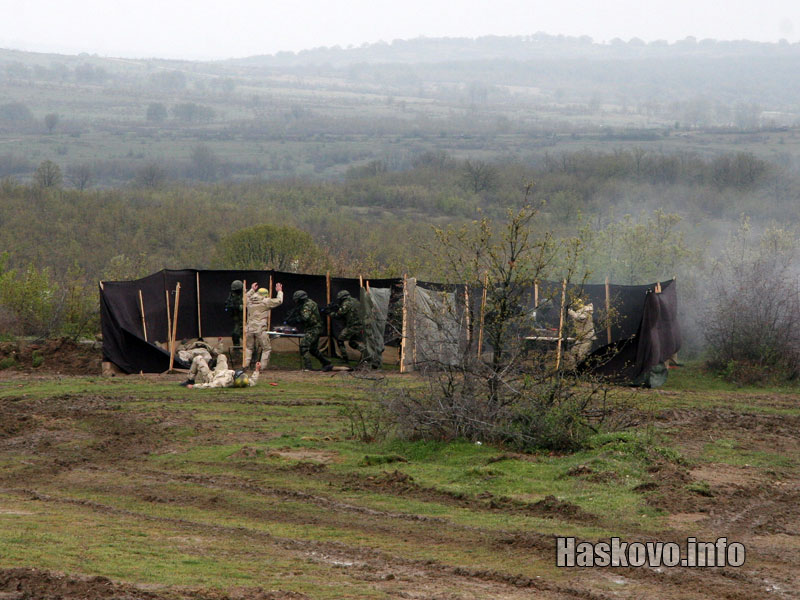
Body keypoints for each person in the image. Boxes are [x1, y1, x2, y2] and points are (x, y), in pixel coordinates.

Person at [288, 290, 332, 372]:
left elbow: (305, 317)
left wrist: (296, 318)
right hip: (315, 328)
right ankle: (326, 363)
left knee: (304, 345)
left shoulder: (307, 305)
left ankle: (308, 367)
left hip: (314, 328)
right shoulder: (309, 303)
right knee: (313, 349)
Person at [245, 282, 283, 369]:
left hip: (249, 328)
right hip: (260, 329)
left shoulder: (249, 300)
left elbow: (245, 297)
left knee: (248, 348)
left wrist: (251, 289)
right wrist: (279, 291)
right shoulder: (266, 301)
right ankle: (261, 367)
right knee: (266, 348)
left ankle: (245, 365)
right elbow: (279, 301)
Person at [330, 290, 367, 366]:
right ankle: (365, 353)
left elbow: (339, 315)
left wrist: (330, 313)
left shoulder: (346, 303)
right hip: (360, 325)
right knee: (352, 342)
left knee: (340, 339)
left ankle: (345, 359)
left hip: (353, 326)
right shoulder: (356, 301)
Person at [180, 354, 261, 389]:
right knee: (222, 356)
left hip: (211, 376)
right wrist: (257, 370)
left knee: (198, 358)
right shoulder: (244, 381)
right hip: (222, 371)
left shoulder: (223, 382)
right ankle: (213, 364)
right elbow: (253, 381)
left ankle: (190, 380)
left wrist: (194, 386)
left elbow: (209, 385)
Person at [566, 298, 596, 369]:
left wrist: (570, 312)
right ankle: (573, 370)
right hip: (581, 337)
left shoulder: (586, 310)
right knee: (573, 352)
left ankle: (584, 371)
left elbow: (580, 318)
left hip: (587, 337)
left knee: (581, 355)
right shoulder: (579, 311)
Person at [224, 280, 244, 348]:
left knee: (248, 336)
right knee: (235, 334)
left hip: (247, 318)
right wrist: (229, 306)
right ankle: (236, 348)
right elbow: (227, 303)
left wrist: (243, 306)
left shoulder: (246, 294)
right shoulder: (232, 295)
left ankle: (252, 351)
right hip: (237, 318)